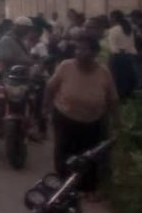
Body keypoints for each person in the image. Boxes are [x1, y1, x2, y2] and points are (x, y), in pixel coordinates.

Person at [44, 35, 119, 197]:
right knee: (63, 152)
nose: (80, 52)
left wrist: (117, 121)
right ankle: (64, 187)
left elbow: (113, 99)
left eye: (85, 49)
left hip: (93, 121)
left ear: (95, 53)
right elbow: (50, 87)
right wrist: (46, 108)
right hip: (65, 117)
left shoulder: (103, 72)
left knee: (90, 156)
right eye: (77, 49)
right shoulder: (66, 66)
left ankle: (88, 189)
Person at [106, 10, 138, 100]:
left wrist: (111, 60)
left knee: (117, 80)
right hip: (130, 56)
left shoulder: (113, 30)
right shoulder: (129, 28)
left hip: (118, 57)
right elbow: (131, 44)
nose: (109, 19)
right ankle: (128, 99)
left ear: (113, 18)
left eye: (110, 17)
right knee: (127, 79)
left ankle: (119, 100)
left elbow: (113, 48)